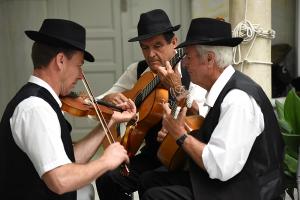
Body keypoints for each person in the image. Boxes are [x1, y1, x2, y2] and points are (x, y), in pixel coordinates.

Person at [138, 18, 284, 200]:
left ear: (209, 59)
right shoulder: (224, 89)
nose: (185, 64)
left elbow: (220, 166)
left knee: (156, 196)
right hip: (230, 182)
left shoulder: (237, 99)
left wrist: (180, 135)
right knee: (149, 180)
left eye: (189, 57)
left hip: (247, 191)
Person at [0, 19, 136, 200]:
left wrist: (109, 121)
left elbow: (68, 161)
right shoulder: (35, 108)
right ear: (61, 61)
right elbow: (60, 180)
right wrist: (105, 161)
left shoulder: (41, 101)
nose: (81, 76)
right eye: (79, 66)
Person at [95, 9, 206, 200]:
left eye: (157, 46)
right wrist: (111, 98)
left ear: (174, 42)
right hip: (152, 154)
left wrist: (177, 88)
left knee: (150, 183)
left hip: (184, 156)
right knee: (107, 177)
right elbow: (99, 100)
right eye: (145, 48)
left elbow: (204, 114)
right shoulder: (137, 70)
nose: (151, 54)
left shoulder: (192, 69)